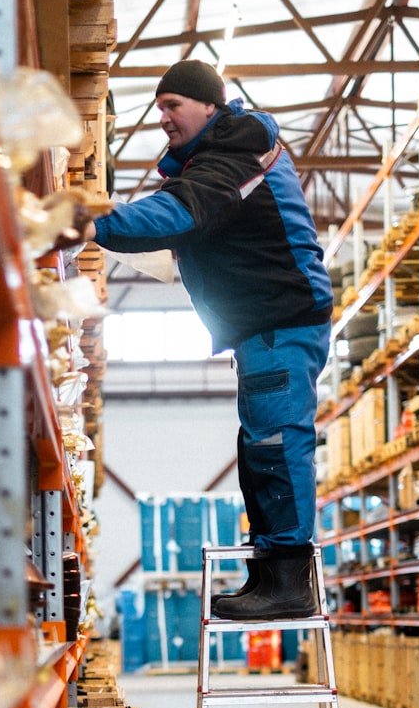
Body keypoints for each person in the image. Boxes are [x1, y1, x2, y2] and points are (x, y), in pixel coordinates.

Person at [79, 59, 333, 619]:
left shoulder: (239, 148)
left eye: (173, 105)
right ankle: (268, 574)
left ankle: (290, 583)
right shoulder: (215, 157)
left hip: (283, 319)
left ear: (209, 105)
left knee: (277, 442)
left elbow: (184, 211)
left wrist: (93, 223)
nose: (162, 117)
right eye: (160, 106)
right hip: (261, 325)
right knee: (257, 447)